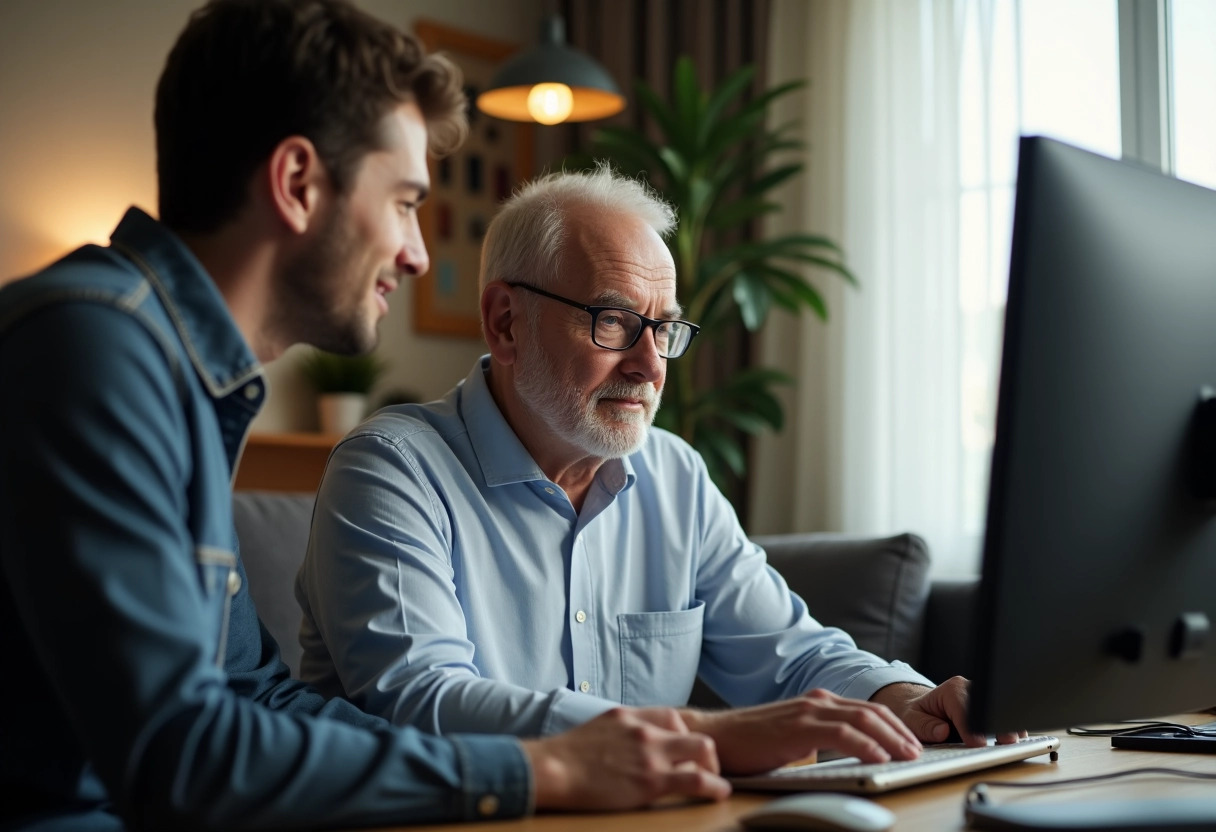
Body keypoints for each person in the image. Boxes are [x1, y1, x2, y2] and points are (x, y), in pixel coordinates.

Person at [0, 4, 732, 830]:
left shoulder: (170, 373)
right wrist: (536, 771)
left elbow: (255, 696)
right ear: (298, 183)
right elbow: (182, 756)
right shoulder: (93, 349)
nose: (418, 253)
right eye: (405, 202)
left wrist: (538, 765)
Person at [296, 165, 1024, 777]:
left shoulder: (673, 475)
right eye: (612, 322)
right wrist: (707, 736)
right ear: (507, 323)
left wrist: (899, 697)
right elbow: (423, 702)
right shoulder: (390, 471)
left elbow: (790, 653)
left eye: (665, 327)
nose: (649, 365)